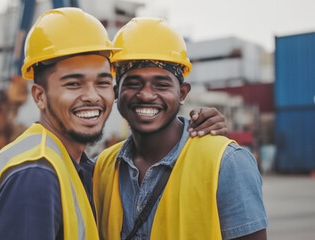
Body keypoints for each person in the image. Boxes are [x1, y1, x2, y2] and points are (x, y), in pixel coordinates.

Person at [0, 8, 227, 240]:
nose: (92, 96)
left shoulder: (81, 167)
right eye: (73, 83)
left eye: (103, 82)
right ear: (40, 96)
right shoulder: (36, 175)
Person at [93, 17, 268, 240]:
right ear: (117, 92)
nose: (146, 94)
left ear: (182, 93)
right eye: (133, 83)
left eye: (162, 84)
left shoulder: (227, 163)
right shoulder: (102, 168)